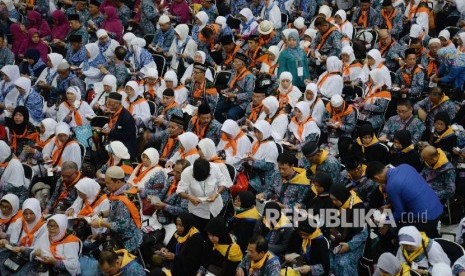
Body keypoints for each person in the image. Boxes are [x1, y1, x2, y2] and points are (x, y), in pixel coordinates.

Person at [366, 162, 444, 237]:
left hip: (426, 219)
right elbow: (410, 194)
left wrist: (386, 223)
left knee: (394, 227)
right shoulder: (405, 166)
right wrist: (390, 205)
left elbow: (400, 212)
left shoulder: (391, 186)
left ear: (376, 178)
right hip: (438, 208)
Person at [90, 166, 142, 252]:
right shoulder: (128, 188)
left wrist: (101, 223)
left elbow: (122, 226)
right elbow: (115, 211)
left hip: (127, 240)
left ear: (118, 182)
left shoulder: (121, 201)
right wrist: (101, 214)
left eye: (108, 183)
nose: (106, 186)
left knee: (103, 256)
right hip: (123, 234)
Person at [177, 158, 231, 231]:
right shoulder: (186, 173)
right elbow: (180, 191)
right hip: (198, 211)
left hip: (216, 208)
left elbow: (223, 183)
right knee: (201, 233)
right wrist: (189, 197)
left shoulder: (215, 168)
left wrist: (217, 193)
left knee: (215, 231)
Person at [328, 183, 369, 275]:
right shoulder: (339, 206)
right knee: (327, 259)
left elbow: (363, 233)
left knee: (343, 263)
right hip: (338, 239)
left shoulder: (358, 207)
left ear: (342, 196)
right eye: (332, 200)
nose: (333, 202)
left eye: (335, 199)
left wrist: (349, 245)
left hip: (355, 242)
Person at [0, 198, 46, 276]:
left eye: (31, 213)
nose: (28, 217)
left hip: (31, 259)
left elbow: (40, 250)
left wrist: (23, 250)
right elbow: (13, 243)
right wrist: (6, 242)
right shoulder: (20, 221)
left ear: (37, 212)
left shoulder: (44, 227)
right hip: (16, 253)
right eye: (25, 213)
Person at [214, 53, 254, 123]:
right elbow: (229, 86)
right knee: (216, 109)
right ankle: (223, 125)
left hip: (241, 103)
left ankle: (231, 128)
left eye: (236, 62)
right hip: (229, 98)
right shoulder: (234, 72)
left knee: (231, 114)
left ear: (242, 64)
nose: (233, 63)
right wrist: (225, 91)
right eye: (233, 61)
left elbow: (249, 94)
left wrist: (235, 96)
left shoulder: (249, 76)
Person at [103, 92, 137, 161]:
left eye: (110, 103)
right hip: (114, 143)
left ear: (118, 104)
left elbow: (126, 136)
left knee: (101, 155)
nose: (108, 105)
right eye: (107, 103)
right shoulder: (113, 112)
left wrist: (110, 133)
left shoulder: (127, 117)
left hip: (125, 147)